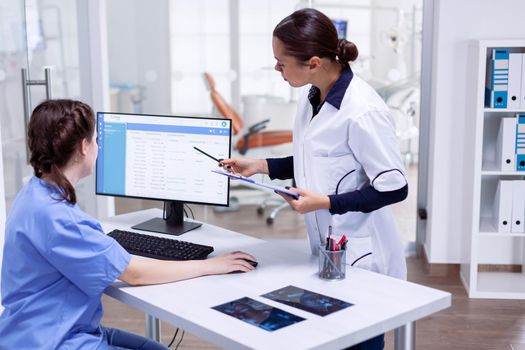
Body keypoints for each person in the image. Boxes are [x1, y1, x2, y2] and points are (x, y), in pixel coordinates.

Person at [0, 99, 257, 349]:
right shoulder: (63, 219)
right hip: (55, 341)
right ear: (84, 147)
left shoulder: (33, 194)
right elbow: (134, 274)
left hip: (27, 331)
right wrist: (211, 265)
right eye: (96, 140)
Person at [221, 8, 408, 350]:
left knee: (359, 339)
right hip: (328, 247)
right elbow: (317, 157)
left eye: (282, 62)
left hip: (362, 252)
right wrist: (260, 164)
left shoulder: (363, 110)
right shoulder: (312, 96)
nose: (277, 69)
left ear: (314, 62)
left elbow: (394, 187)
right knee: (331, 335)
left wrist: (325, 203)